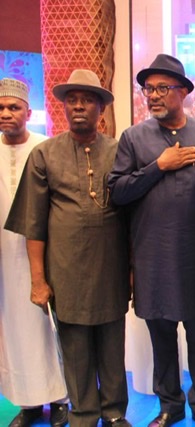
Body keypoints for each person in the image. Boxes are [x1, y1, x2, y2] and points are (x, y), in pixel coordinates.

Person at [4, 70, 131, 426]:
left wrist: (133, 270)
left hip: (111, 267)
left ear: (100, 109)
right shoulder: (44, 155)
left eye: (87, 99)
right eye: (71, 99)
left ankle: (115, 412)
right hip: (66, 271)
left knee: (112, 346)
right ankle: (85, 414)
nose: (78, 106)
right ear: (62, 107)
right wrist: (38, 280)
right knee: (75, 351)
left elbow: (133, 217)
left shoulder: (120, 151)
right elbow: (34, 224)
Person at [108, 54, 195, 427]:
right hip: (151, 256)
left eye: (162, 88)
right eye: (148, 89)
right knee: (161, 335)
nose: (153, 96)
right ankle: (169, 405)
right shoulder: (133, 138)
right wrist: (159, 165)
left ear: (184, 92)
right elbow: (118, 192)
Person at [0, 78, 69, 427]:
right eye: (0, 108)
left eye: (13, 108)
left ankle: (60, 399)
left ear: (29, 112)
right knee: (12, 329)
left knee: (50, 327)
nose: (6, 114)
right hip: (4, 261)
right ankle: (28, 403)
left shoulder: (46, 149)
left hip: (45, 255)